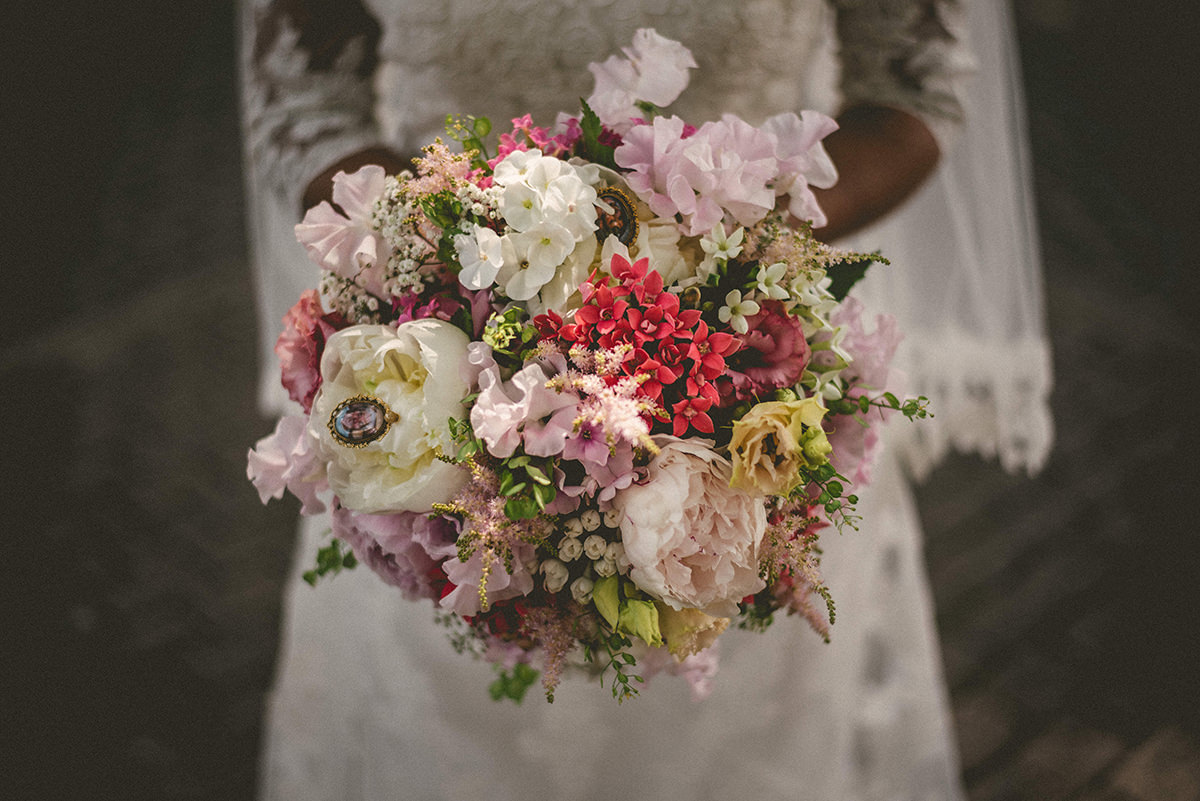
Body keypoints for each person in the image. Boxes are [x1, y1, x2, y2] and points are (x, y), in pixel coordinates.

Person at [239, 2, 1053, 799]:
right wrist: (452, 260)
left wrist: (727, 244)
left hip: (747, 394)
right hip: (445, 402)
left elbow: (914, 90)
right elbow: (306, 101)